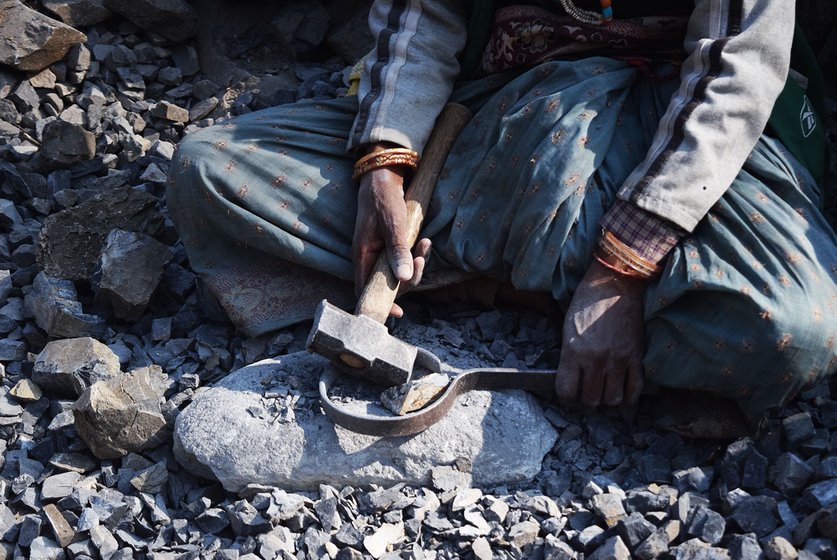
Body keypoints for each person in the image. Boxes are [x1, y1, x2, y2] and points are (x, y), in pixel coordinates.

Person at [167, 0, 837, 427]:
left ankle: (528, 285)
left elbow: (735, 75)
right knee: (212, 171)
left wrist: (621, 270)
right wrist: (383, 169)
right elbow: (419, 17)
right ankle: (544, 297)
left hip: (677, 136)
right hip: (499, 125)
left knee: (795, 331)